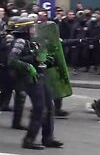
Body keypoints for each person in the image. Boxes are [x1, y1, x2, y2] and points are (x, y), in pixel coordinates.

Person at [8, 17, 63, 150]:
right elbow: (12, 60)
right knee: (39, 108)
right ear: (25, 28)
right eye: (32, 27)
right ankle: (29, 139)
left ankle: (47, 138)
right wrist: (29, 65)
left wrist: (47, 60)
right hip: (30, 79)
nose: (34, 29)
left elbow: (37, 59)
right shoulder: (20, 41)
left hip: (40, 76)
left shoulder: (31, 42)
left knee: (49, 107)